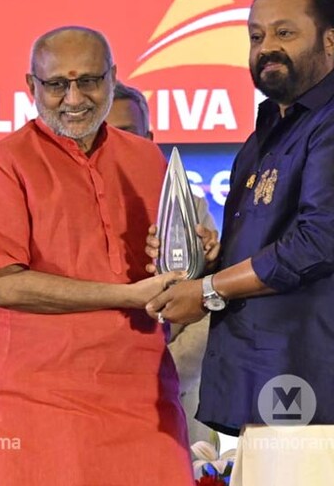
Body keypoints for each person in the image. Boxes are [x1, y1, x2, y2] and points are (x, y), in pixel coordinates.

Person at [146, 0, 334, 486]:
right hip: (269, 386)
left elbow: (316, 245)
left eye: (285, 34)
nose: (267, 48)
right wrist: (207, 261)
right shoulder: (264, 136)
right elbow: (271, 249)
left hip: (327, 390)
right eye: (256, 36)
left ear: (330, 42)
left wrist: (207, 290)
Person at [0, 26, 216, 485]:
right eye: (56, 84)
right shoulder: (5, 161)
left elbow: (167, 277)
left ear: (113, 79)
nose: (73, 98)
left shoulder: (146, 158)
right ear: (30, 87)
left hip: (141, 395)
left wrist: (198, 259)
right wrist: (126, 294)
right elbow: (3, 284)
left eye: (89, 81)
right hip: (37, 403)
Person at [105, 83, 219, 449]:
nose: (116, 144)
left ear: (149, 138)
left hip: (176, 401)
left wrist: (160, 373)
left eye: (129, 133)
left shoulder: (189, 207)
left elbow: (214, 301)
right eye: (104, 134)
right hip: (89, 397)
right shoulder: (62, 210)